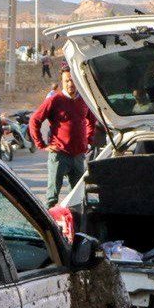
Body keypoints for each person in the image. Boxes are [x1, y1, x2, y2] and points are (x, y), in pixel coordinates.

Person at [29, 69, 100, 207]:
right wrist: (41, 144)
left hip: (78, 156)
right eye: (67, 80)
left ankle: (75, 225)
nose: (70, 84)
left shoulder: (84, 100)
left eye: (72, 80)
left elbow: (92, 121)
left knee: (78, 197)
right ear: (62, 82)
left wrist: (88, 141)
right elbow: (34, 120)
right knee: (52, 198)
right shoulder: (55, 100)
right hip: (59, 155)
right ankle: (48, 225)